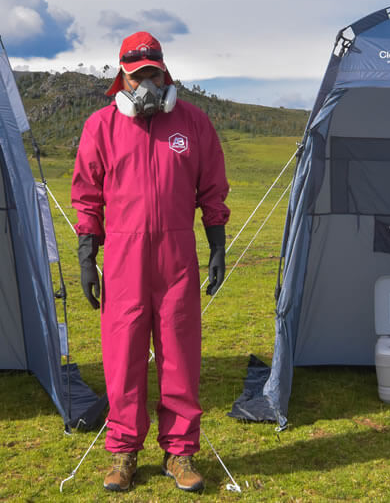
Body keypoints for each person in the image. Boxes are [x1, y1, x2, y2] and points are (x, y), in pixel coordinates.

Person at [71, 31, 230, 492]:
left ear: (165, 74)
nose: (145, 85)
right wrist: (88, 254)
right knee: (123, 355)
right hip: (124, 257)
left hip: (177, 256)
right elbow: (87, 193)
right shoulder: (101, 126)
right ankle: (123, 451)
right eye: (136, 76)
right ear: (121, 78)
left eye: (152, 75)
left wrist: (217, 244)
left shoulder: (193, 123)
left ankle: (179, 453)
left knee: (180, 354)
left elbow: (212, 186)